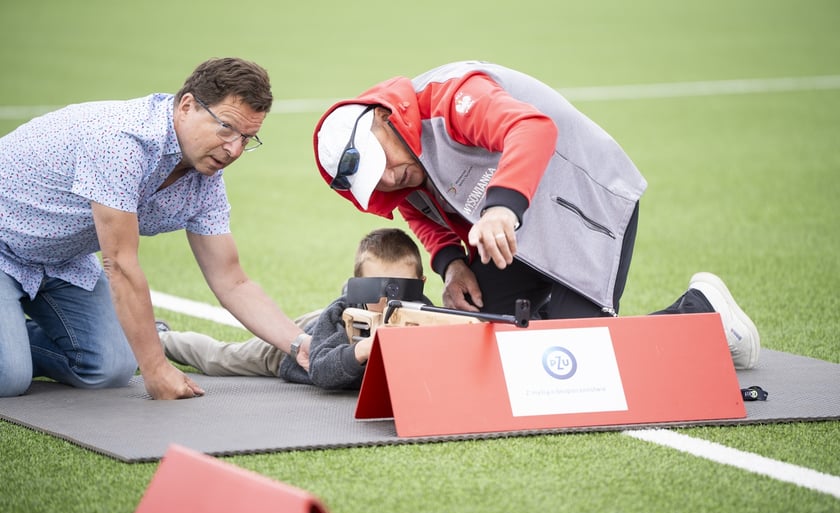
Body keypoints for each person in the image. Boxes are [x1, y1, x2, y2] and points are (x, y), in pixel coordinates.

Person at [312, 60, 760, 369]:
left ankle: (702, 313)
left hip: (583, 199)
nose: (389, 179)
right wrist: (452, 267)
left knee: (581, 360)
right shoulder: (399, 172)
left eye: (383, 163)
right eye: (376, 183)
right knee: (481, 341)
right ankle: (551, 316)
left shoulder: (451, 95)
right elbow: (422, 213)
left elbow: (531, 127)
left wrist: (502, 209)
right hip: (509, 225)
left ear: (383, 120)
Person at [0, 57, 312, 400]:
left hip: (61, 258)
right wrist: (155, 367)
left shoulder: (205, 180)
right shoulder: (121, 141)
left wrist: (298, 343)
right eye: (226, 128)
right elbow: (119, 264)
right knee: (9, 378)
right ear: (187, 106)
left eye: (247, 138)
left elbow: (232, 281)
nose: (234, 149)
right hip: (4, 243)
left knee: (111, 368)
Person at [158, 227, 430, 390]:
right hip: (296, 347)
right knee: (220, 359)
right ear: (357, 286)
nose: (387, 302)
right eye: (373, 289)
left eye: (402, 290)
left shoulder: (424, 316)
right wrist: (361, 350)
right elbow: (321, 371)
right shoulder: (340, 317)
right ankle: (160, 339)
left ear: (421, 285)